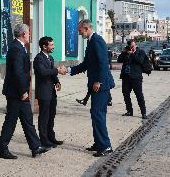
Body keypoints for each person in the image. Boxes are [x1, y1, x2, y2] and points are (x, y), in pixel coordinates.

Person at [0, 24, 49, 159]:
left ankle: (35, 147)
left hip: (19, 92)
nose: (29, 35)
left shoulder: (19, 47)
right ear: (23, 34)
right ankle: (2, 149)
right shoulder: (16, 49)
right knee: (11, 121)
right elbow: (18, 73)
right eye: (28, 33)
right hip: (16, 93)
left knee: (27, 120)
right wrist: (23, 91)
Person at [65, 19, 114, 157]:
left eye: (80, 31)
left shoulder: (97, 41)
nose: (79, 33)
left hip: (100, 85)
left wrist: (98, 81)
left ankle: (105, 146)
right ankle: (99, 143)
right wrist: (69, 70)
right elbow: (86, 64)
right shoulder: (91, 41)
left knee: (97, 114)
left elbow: (103, 63)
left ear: (86, 28)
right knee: (96, 114)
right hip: (96, 85)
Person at [33, 36, 65, 148]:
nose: (53, 47)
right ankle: (44, 140)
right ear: (44, 46)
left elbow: (52, 73)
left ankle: (51, 137)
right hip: (43, 92)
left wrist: (57, 81)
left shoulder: (50, 58)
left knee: (51, 116)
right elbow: (43, 72)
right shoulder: (38, 58)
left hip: (51, 92)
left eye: (53, 44)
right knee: (44, 117)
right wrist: (57, 70)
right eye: (51, 45)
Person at [117, 39, 148, 120]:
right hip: (126, 77)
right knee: (126, 94)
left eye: (133, 46)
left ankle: (143, 113)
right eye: (130, 46)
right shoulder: (126, 52)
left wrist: (132, 54)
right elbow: (119, 60)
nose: (132, 48)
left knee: (139, 95)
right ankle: (129, 111)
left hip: (136, 77)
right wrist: (124, 52)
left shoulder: (140, 52)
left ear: (135, 45)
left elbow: (140, 61)